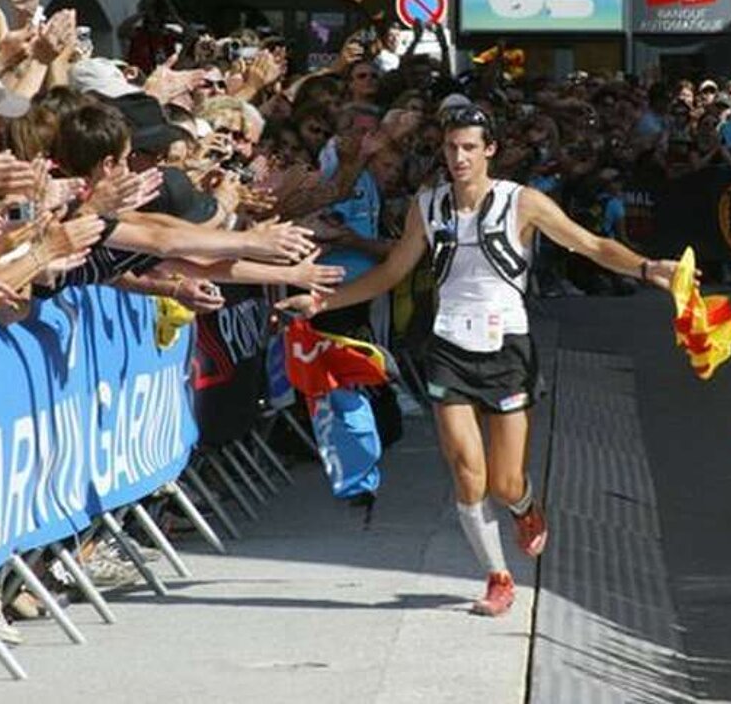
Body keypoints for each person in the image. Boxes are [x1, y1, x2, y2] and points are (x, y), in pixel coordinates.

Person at [276, 106, 683, 616]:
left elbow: (591, 244)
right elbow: (393, 272)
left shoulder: (523, 203)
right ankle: (498, 577)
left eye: (470, 147)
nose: (459, 157)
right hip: (448, 348)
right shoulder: (428, 205)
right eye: (451, 148)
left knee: (504, 481)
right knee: (467, 471)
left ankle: (525, 507)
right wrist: (320, 304)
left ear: (489, 150)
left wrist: (646, 268)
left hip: (508, 348)